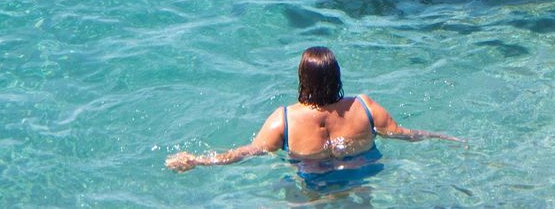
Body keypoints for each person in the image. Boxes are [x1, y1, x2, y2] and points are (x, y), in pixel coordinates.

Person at [164, 47, 459, 187]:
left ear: (303, 79)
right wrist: (443, 137)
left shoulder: (284, 120)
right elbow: (403, 133)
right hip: (362, 177)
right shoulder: (364, 107)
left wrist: (199, 160)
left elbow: (247, 152)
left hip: (313, 187)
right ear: (337, 75)